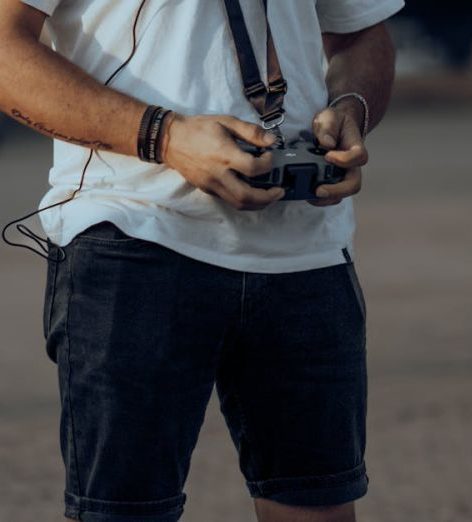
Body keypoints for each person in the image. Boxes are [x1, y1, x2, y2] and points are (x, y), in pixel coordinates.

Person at [0, 1, 403, 521]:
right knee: (125, 512)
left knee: (317, 507)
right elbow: (7, 48)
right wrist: (164, 137)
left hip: (306, 246)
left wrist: (352, 109)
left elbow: (360, 34)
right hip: (133, 234)